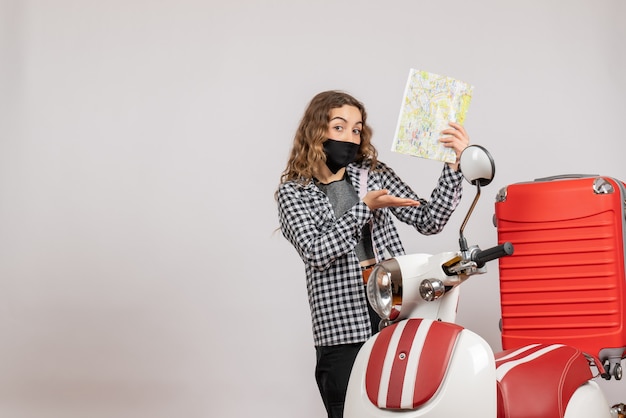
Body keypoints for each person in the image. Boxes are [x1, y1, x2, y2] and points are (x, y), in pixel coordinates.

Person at [275, 90, 469, 418]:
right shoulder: (294, 194)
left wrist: (453, 165)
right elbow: (315, 252)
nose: (350, 137)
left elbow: (429, 218)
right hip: (341, 329)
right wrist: (364, 209)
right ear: (315, 131)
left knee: (404, 407)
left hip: (394, 311)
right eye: (339, 127)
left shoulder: (372, 175)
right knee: (349, 410)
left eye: (356, 129)